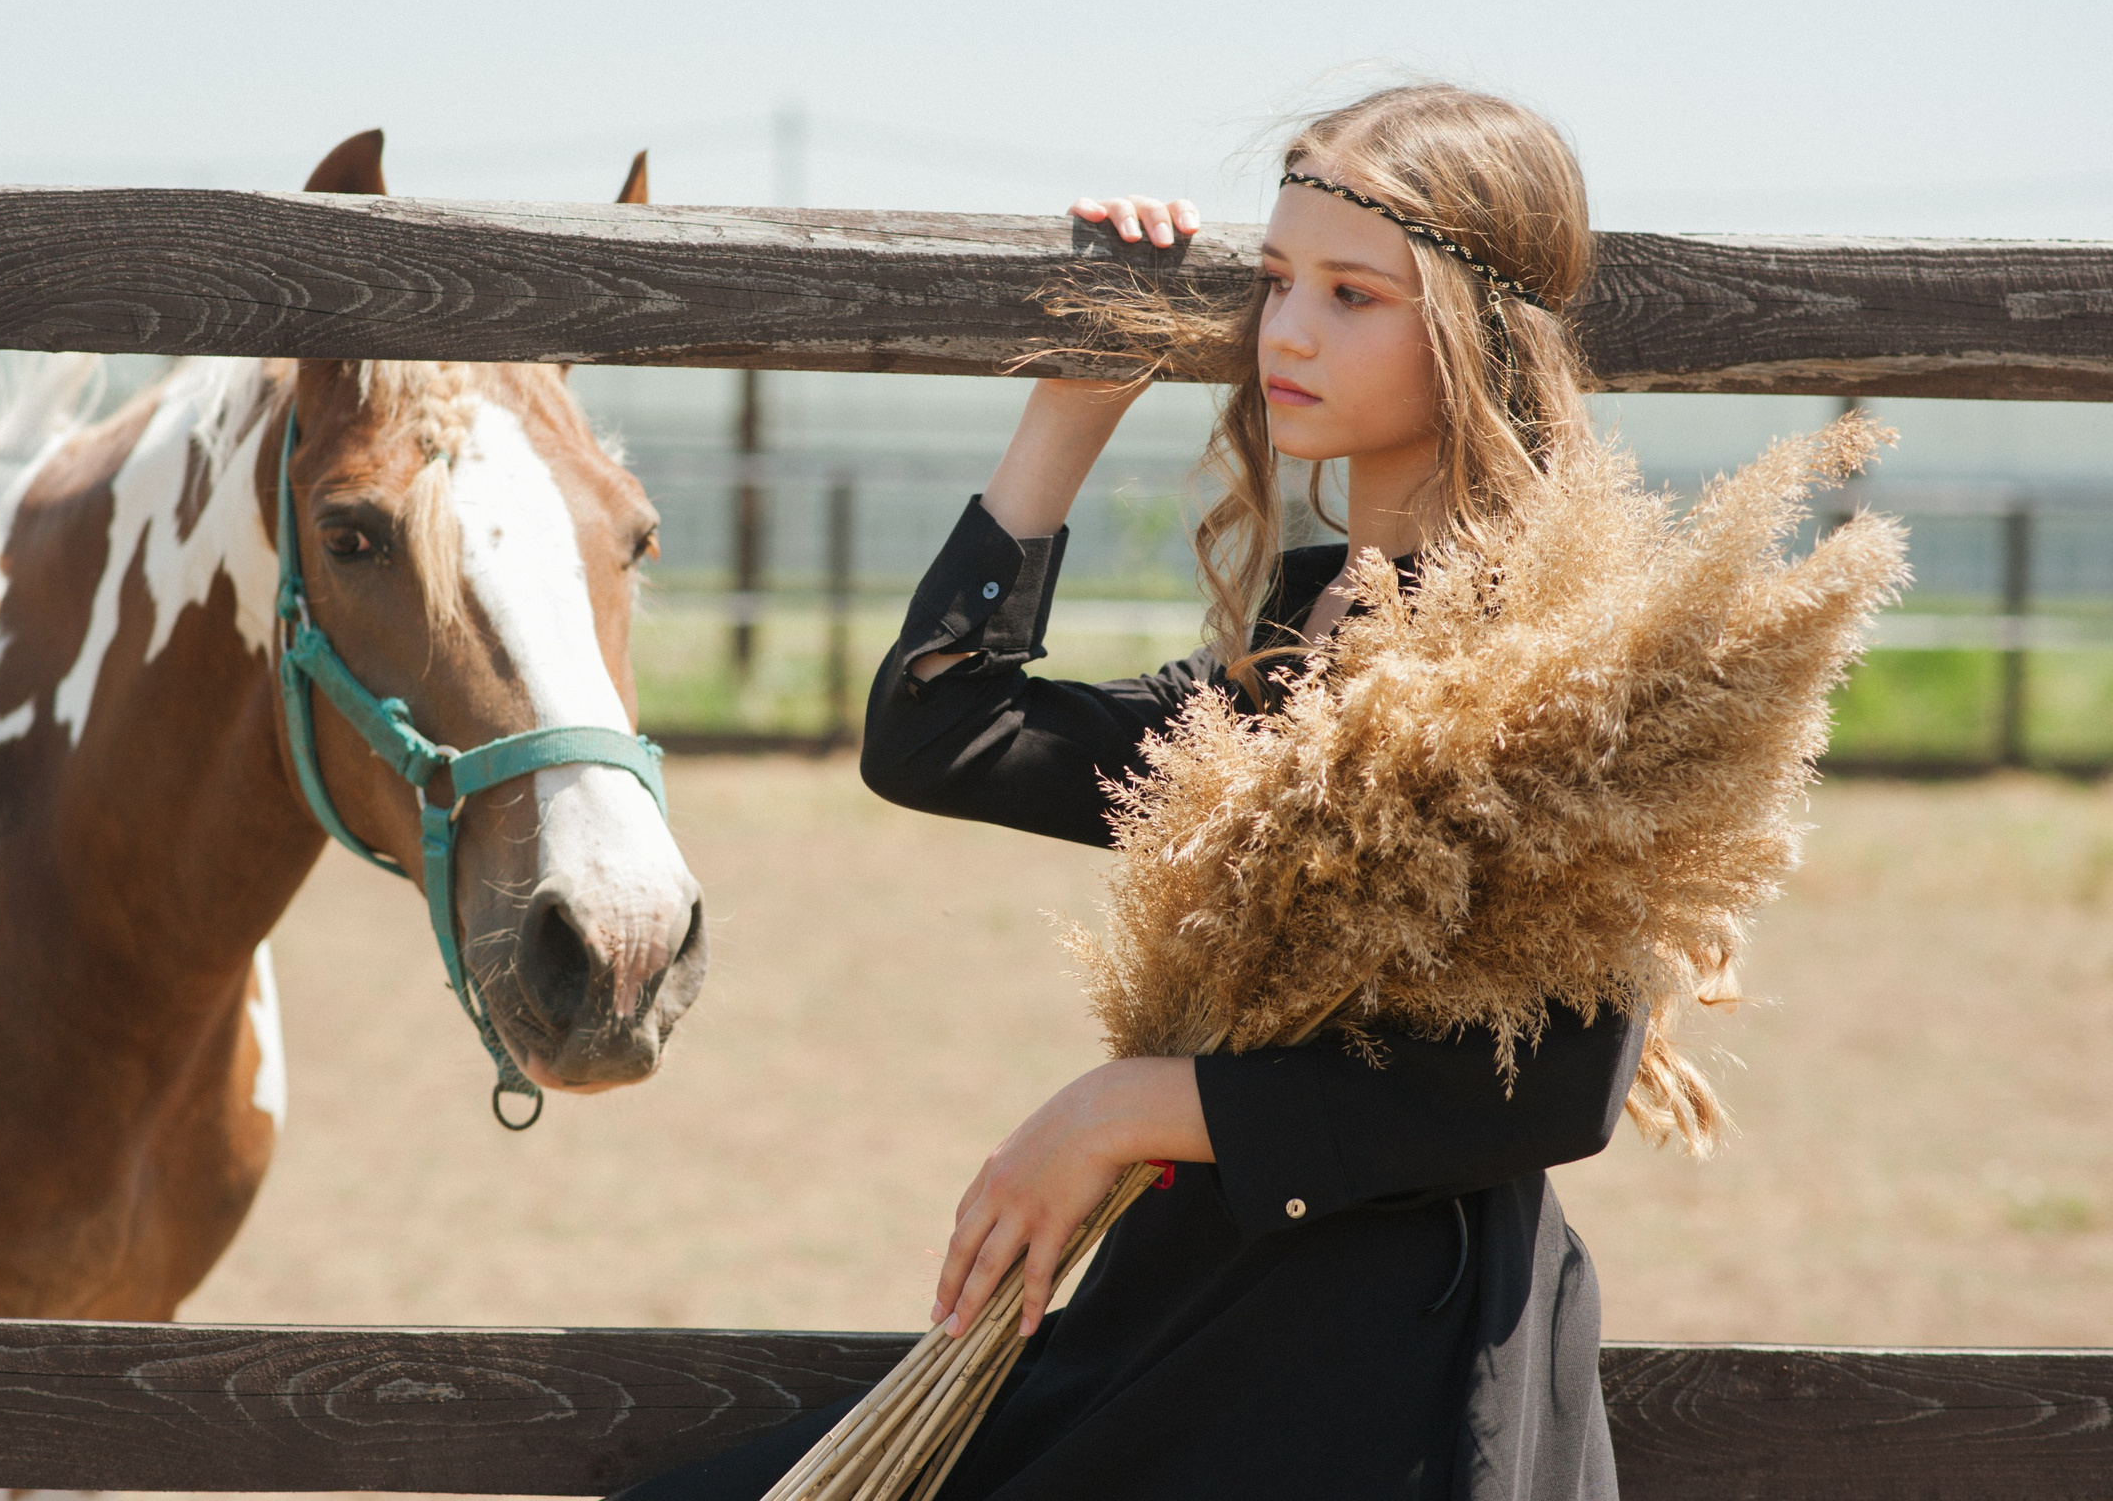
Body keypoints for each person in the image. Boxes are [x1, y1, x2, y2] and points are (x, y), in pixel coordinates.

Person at [614, 84, 1644, 1501]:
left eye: (1354, 295)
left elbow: (1565, 1087)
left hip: (1375, 1382)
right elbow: (942, 737)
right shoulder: (1302, 647)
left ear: (1479, 333)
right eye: (1275, 281)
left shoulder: (1563, 651)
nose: (1286, 330)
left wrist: (1123, 1111)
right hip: (1193, 1328)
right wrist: (1077, 403)